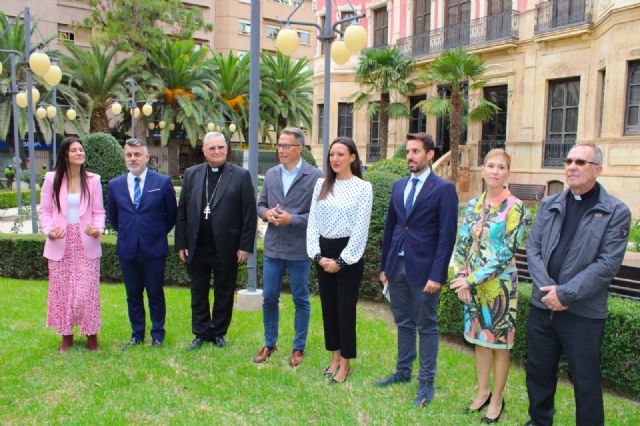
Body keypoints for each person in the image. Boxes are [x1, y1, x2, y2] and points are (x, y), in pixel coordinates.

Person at [524, 144, 631, 426]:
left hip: (582, 313)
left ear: (597, 169)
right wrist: (548, 290)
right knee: (538, 370)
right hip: (543, 306)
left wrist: (566, 294)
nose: (572, 166)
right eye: (569, 160)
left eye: (581, 162)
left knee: (585, 379)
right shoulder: (550, 204)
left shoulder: (615, 211)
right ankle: (539, 421)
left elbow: (607, 264)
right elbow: (532, 248)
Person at [373, 133, 458, 408]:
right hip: (396, 266)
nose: (410, 156)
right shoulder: (398, 186)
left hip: (424, 270)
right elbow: (391, 228)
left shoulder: (443, 189)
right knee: (404, 322)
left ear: (430, 154)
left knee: (427, 326)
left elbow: (447, 237)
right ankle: (402, 372)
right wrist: (385, 266)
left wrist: (437, 274)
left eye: (416, 151)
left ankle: (426, 383)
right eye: (408, 151)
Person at [449, 149, 527, 423]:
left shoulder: (515, 207)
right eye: (490, 165)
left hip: (500, 289)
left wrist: (469, 279)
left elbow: (506, 253)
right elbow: (461, 246)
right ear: (483, 170)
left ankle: (496, 399)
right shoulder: (472, 205)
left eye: (501, 167)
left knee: (499, 345)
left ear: (508, 173)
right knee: (480, 342)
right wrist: (458, 280)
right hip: (471, 288)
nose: (495, 171)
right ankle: (482, 392)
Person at [175, 132, 257, 350]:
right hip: (197, 245)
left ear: (226, 148)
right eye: (212, 148)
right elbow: (182, 211)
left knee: (224, 292)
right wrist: (181, 243)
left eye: (221, 147)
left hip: (227, 247)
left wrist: (245, 246)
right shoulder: (192, 174)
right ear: (203, 150)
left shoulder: (240, 175)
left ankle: (218, 332)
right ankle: (201, 332)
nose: (217, 152)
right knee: (198, 291)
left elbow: (249, 214)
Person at [254, 128, 323, 366]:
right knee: (269, 298)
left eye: (286, 146)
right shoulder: (271, 174)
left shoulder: (315, 176)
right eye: (279, 145)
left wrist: (292, 219)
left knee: (300, 298)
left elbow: (317, 215)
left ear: (300, 149)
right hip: (273, 248)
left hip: (299, 250)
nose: (281, 150)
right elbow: (260, 205)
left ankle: (298, 348)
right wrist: (267, 213)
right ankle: (269, 343)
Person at [306, 137, 372, 384]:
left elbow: (361, 229)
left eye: (341, 154)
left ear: (352, 157)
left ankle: (345, 363)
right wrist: (317, 256)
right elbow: (313, 222)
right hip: (323, 252)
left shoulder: (363, 188)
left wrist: (341, 262)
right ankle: (334, 357)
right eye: (332, 154)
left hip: (349, 256)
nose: (335, 159)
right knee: (328, 308)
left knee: (345, 310)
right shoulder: (320, 185)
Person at [107, 138, 177, 349]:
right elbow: (114, 218)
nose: (133, 158)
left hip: (154, 248)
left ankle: (157, 334)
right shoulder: (115, 185)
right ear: (124, 158)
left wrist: (154, 234)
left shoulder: (162, 182)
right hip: (128, 249)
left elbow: (171, 216)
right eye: (129, 155)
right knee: (133, 294)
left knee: (155, 292)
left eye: (137, 154)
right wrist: (131, 233)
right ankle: (137, 334)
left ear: (147, 157)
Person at [38, 136, 105, 354]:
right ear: (65, 154)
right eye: (74, 150)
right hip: (61, 242)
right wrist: (50, 231)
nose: (79, 153)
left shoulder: (93, 180)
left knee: (87, 291)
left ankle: (91, 334)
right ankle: (66, 336)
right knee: (62, 290)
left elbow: (98, 212)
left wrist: (97, 229)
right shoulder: (51, 178)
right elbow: (45, 210)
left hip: (86, 241)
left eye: (81, 149)